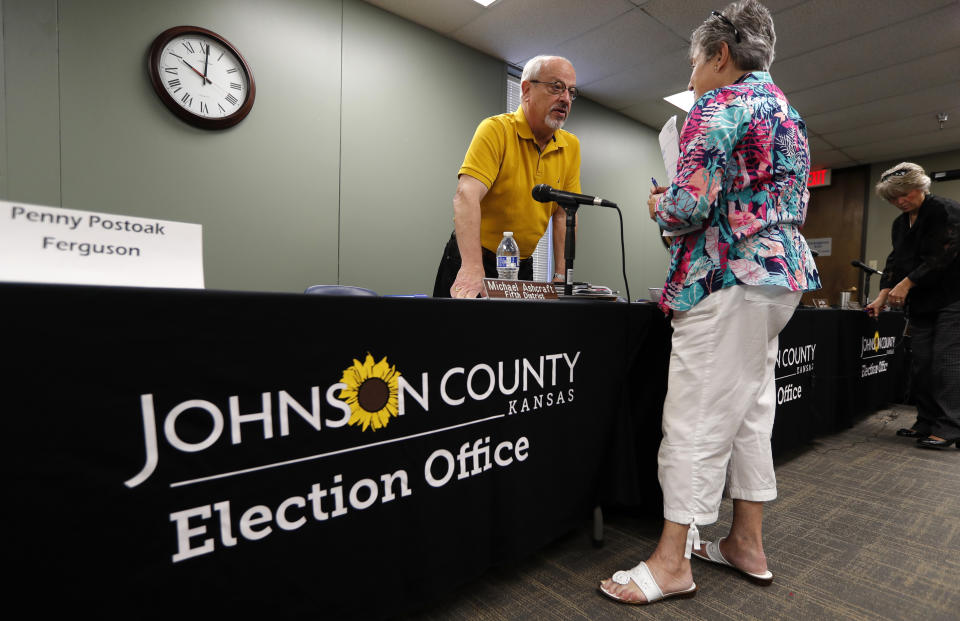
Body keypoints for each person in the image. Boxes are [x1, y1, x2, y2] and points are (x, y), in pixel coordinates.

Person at [599, 0, 820, 605]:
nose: (691, 76)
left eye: (694, 62)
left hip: (728, 276)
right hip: (781, 277)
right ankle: (745, 542)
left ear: (721, 56)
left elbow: (688, 207)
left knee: (694, 416)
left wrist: (658, 204)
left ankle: (672, 562)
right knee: (750, 407)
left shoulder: (718, 106)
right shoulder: (788, 113)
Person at [432, 55, 581, 299]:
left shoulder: (571, 146)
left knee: (515, 337)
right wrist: (471, 266)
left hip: (521, 267)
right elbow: (466, 195)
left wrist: (561, 276)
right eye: (556, 87)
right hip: (474, 260)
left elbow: (565, 213)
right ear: (526, 90)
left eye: (571, 91)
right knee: (455, 336)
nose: (565, 98)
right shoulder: (496, 130)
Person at [867, 162, 960, 449]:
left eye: (904, 194)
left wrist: (906, 284)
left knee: (945, 362)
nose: (899, 202)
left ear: (921, 187)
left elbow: (943, 257)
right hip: (922, 303)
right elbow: (896, 260)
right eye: (893, 198)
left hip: (951, 298)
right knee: (921, 363)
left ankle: (951, 427)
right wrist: (884, 293)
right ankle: (927, 421)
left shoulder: (944, 210)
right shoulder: (900, 223)